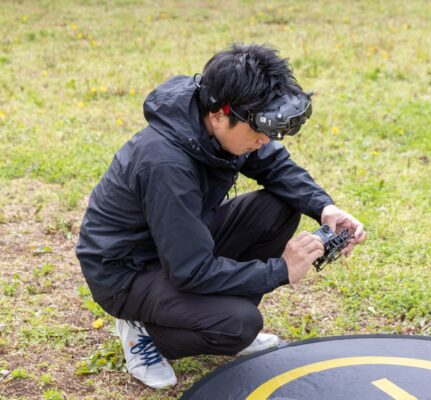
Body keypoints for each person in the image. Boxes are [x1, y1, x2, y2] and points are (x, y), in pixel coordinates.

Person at [76, 43, 366, 389]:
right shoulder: (166, 163)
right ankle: (144, 330)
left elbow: (274, 165)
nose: (265, 140)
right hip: (127, 272)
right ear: (217, 115)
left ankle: (203, 313)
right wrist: (280, 270)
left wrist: (324, 207)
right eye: (259, 132)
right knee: (239, 325)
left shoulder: (225, 116)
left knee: (280, 206)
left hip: (179, 240)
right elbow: (191, 270)